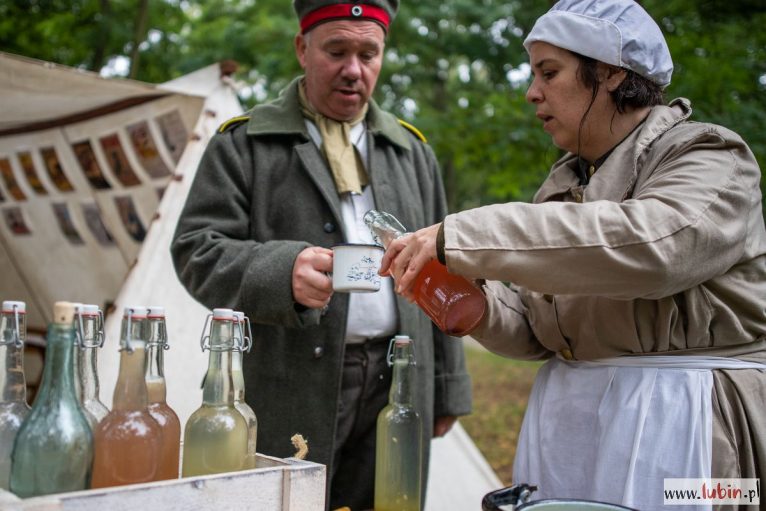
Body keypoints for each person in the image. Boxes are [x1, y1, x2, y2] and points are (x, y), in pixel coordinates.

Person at [380, 0, 766, 509]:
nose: (531, 92)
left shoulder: (710, 156)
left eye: (549, 72)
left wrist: (463, 235)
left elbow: (653, 248)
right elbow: (543, 329)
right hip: (574, 430)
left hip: (693, 423)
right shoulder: (564, 187)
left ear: (609, 72)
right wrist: (474, 305)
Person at [170, 1, 472, 509]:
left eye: (368, 54)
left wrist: (448, 387)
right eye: (336, 51)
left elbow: (445, 268)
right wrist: (281, 271)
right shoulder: (245, 143)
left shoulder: (412, 151)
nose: (354, 69)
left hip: (400, 379)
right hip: (286, 380)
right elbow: (195, 248)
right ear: (302, 49)